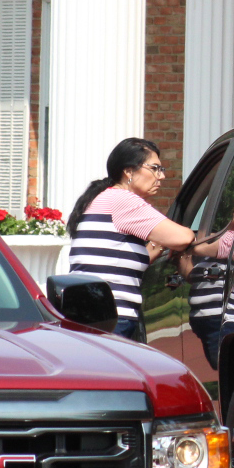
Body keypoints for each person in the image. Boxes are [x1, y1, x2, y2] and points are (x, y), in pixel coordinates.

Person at [66, 138, 196, 340]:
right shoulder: (123, 200)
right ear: (129, 171)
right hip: (111, 318)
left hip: (91, 314)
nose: (161, 176)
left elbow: (119, 259)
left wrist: (160, 246)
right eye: (155, 168)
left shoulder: (102, 198)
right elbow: (183, 238)